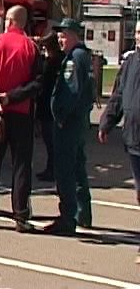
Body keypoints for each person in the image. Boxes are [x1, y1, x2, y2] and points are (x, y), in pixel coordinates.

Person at [0, 5, 42, 233]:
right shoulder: (31, 47)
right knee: (21, 165)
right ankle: (21, 216)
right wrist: (12, 98)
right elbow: (36, 83)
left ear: (10, 21)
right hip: (21, 113)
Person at [45, 18, 94, 235]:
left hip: (69, 124)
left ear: (74, 35)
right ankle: (83, 212)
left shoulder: (75, 59)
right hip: (78, 122)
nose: (59, 39)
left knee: (65, 169)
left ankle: (68, 217)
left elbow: (72, 92)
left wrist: (62, 116)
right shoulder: (81, 56)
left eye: (63, 35)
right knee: (78, 166)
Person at [99, 20, 140, 264]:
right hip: (134, 139)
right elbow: (118, 95)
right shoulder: (130, 63)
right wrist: (106, 122)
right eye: (136, 32)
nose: (138, 37)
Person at [36, 32, 63, 182]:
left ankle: (52, 170)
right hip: (49, 107)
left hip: (48, 108)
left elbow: (43, 84)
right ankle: (51, 169)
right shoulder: (58, 61)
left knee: (51, 142)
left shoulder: (51, 63)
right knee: (50, 142)